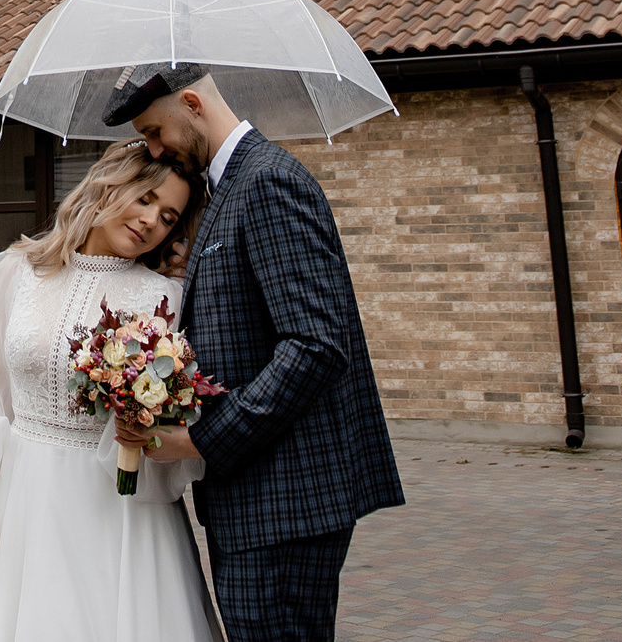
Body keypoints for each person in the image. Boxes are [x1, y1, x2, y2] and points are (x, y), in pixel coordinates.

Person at [109, 69, 404, 642]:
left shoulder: (267, 182)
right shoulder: (231, 189)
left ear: (192, 103)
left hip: (284, 505)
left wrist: (198, 442)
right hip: (261, 504)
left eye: (153, 131)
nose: (152, 149)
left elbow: (315, 345)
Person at [0, 142, 221, 642]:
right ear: (108, 186)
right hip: (23, 498)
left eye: (168, 217)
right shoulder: (19, 271)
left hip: (119, 506)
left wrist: (144, 424)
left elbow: (179, 412)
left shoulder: (166, 297)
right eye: (144, 199)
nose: (151, 222)